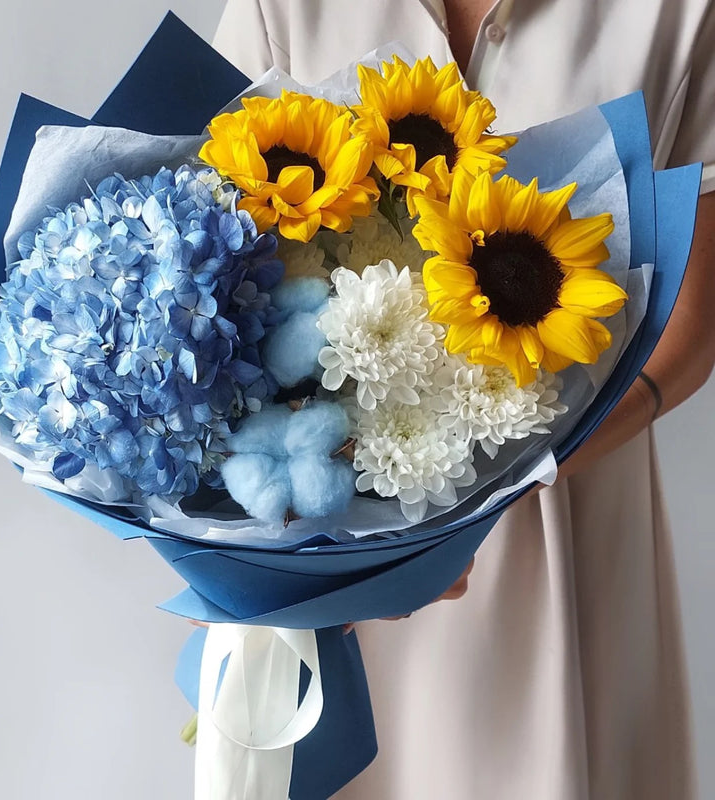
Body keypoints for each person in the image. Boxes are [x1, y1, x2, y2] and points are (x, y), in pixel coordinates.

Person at [211, 1, 715, 797]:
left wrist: (494, 492)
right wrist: (285, 548)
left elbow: (691, 324)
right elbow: (208, 263)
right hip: (329, 521)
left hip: (567, 511)